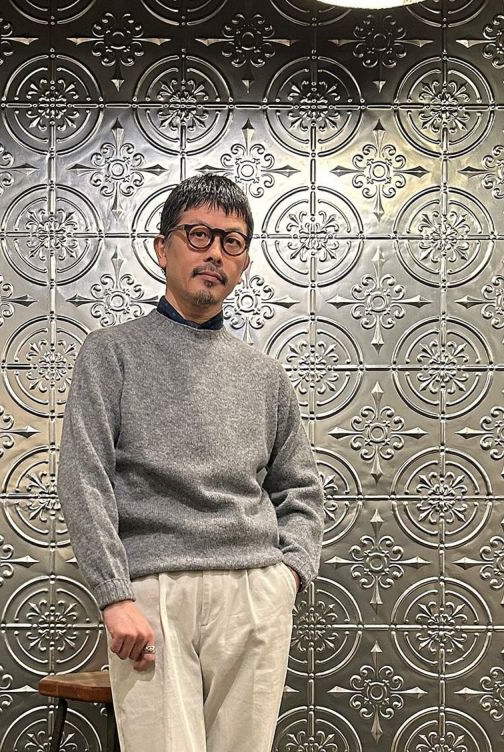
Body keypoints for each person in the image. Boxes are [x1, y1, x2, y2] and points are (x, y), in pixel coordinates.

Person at [56, 173, 325, 752]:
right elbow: (84, 477)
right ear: (163, 247)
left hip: (254, 591)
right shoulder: (111, 353)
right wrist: (114, 594)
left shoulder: (265, 374)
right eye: (198, 234)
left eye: (232, 241)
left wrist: (289, 576)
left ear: (244, 262)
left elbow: (300, 488)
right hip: (153, 592)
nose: (214, 253)